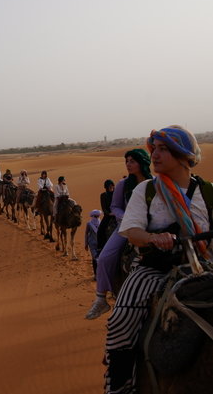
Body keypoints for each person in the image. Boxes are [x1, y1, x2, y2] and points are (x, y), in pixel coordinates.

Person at [104, 125, 212, 394]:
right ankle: (119, 386)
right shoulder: (146, 191)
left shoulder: (208, 192)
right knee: (120, 319)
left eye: (164, 149)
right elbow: (131, 231)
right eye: (155, 149)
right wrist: (153, 238)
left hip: (203, 266)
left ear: (183, 154)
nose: (155, 154)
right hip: (154, 269)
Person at [85, 149, 152, 320]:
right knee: (105, 258)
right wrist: (125, 217)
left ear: (142, 163)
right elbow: (115, 207)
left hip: (153, 227)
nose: (128, 164)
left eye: (132, 161)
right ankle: (101, 298)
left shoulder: (155, 183)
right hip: (127, 227)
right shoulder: (123, 184)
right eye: (127, 161)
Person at [97, 180, 116, 252]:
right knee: (100, 230)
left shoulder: (116, 194)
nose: (111, 187)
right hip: (108, 215)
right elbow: (103, 207)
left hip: (117, 214)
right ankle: (100, 247)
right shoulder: (103, 195)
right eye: (109, 186)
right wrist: (109, 213)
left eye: (112, 185)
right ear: (106, 187)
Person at [85, 209, 102, 279]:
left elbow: (86, 234)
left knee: (95, 259)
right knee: (97, 259)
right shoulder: (100, 223)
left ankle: (96, 275)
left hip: (93, 243)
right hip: (98, 243)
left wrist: (86, 244)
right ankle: (97, 275)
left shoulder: (90, 223)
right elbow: (86, 233)